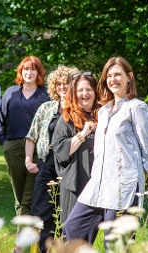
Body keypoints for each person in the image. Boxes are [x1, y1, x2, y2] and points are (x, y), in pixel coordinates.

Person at [62, 57, 148, 247]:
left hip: (124, 188)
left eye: (118, 75)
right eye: (109, 76)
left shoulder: (136, 108)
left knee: (114, 245)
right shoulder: (103, 111)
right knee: (73, 228)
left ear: (129, 77)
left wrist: (139, 183)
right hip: (97, 184)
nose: (113, 79)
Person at [25, 65, 79, 253]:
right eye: (59, 84)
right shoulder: (46, 108)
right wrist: (28, 160)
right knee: (41, 210)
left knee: (66, 211)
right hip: (47, 162)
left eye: (67, 83)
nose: (62, 87)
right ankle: (43, 249)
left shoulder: (79, 109)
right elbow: (32, 135)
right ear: (53, 86)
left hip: (69, 164)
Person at [0, 56, 50, 216]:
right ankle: (27, 233)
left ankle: (23, 238)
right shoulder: (11, 93)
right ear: (21, 71)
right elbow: (0, 120)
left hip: (38, 149)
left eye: (33, 69)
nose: (29, 72)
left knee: (29, 196)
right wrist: (4, 142)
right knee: (19, 195)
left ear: (39, 72)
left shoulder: (46, 94)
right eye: (26, 69)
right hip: (13, 148)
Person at [51, 71, 100, 225]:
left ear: (95, 92)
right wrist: (84, 133)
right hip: (76, 184)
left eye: (89, 89)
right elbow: (61, 151)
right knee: (72, 234)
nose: (84, 94)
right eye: (80, 90)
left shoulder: (105, 115)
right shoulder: (67, 118)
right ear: (74, 93)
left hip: (102, 183)